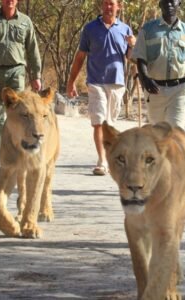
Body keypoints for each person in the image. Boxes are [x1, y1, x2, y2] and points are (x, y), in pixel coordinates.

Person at [66, 0, 135, 176]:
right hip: (96, 81)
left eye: (111, 4)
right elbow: (80, 56)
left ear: (118, 6)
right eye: (105, 3)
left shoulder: (125, 29)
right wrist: (71, 81)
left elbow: (131, 58)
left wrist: (133, 45)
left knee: (109, 124)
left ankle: (111, 157)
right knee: (98, 123)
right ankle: (102, 160)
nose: (108, 7)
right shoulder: (90, 29)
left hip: (117, 83)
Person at [0, 0, 42, 165]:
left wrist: (36, 75)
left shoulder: (25, 21)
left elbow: (32, 49)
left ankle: (18, 149)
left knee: (19, 112)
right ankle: (0, 151)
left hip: (17, 71)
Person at [131, 0, 185, 128]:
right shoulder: (148, 29)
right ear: (160, 4)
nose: (169, 4)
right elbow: (140, 58)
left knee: (176, 132)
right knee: (158, 135)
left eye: (172, 1)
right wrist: (145, 79)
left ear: (179, 4)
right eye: (165, 1)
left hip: (179, 89)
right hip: (155, 89)